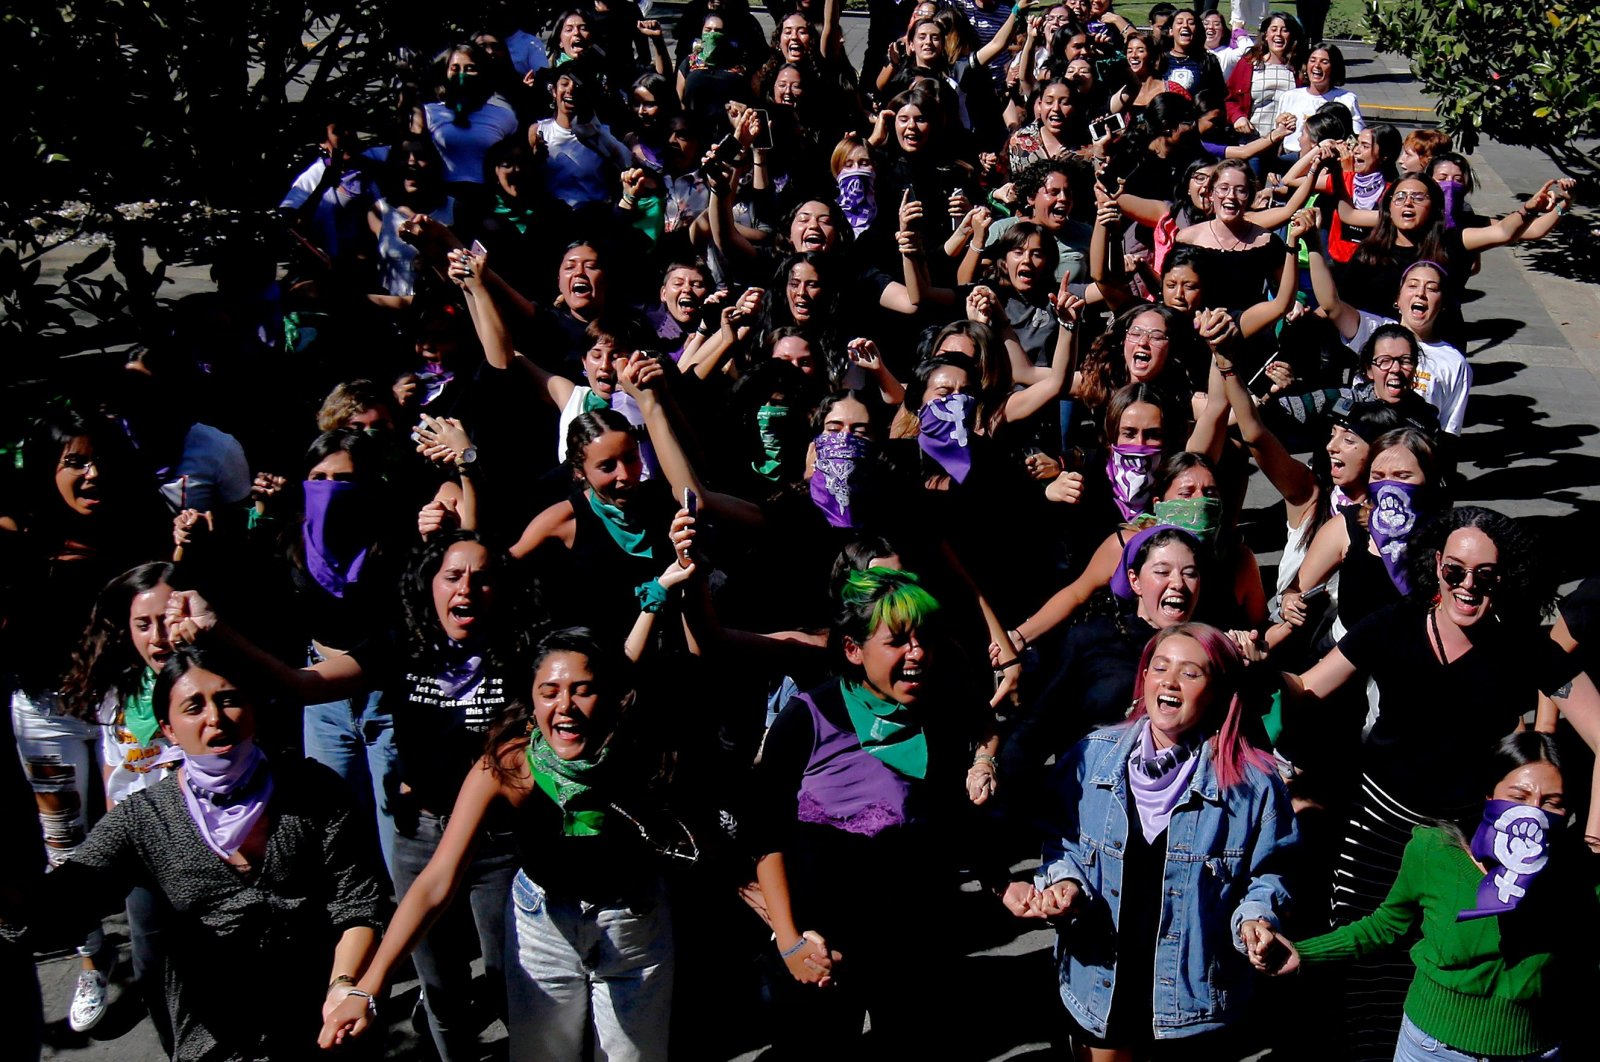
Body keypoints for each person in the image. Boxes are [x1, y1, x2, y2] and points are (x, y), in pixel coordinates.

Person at [320, 627, 694, 1061]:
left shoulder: (646, 755)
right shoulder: (506, 765)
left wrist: (788, 937)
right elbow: (437, 880)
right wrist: (369, 986)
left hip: (634, 930)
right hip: (543, 934)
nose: (565, 707)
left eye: (583, 691)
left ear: (611, 697)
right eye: (549, 691)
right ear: (532, 702)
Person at [10, 645, 388, 1060]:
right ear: (168, 729)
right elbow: (64, 903)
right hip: (214, 1043)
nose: (215, 718)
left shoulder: (313, 790)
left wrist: (342, 985)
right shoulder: (146, 818)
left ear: (254, 709)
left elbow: (357, 904)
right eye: (193, 707)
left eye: (229, 700)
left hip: (324, 1028)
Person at [1005, 622, 1297, 1055]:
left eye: (1191, 673)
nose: (1171, 681)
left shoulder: (1254, 784)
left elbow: (1272, 872)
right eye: (1160, 667)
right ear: (1144, 679)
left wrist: (1257, 919)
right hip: (1099, 986)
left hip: (1194, 999)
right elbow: (1060, 841)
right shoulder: (1091, 757)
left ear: (1218, 689)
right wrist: (1063, 883)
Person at [1271, 731, 1600, 1062]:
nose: (1534, 813)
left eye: (1551, 802)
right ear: (1488, 795)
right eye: (1518, 797)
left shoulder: (1578, 874)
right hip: (1432, 1049)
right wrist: (1305, 953)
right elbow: (1385, 925)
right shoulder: (1435, 850)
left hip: (1530, 1049)